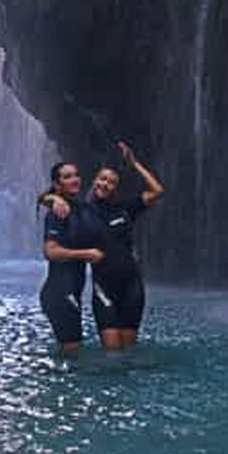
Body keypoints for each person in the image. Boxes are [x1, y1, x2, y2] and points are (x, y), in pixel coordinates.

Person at [45, 142, 163, 350]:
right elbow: (55, 201)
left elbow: (157, 190)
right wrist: (51, 197)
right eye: (102, 179)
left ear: (116, 187)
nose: (105, 184)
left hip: (132, 285)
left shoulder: (125, 209)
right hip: (104, 287)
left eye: (111, 182)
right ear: (94, 181)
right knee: (112, 352)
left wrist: (134, 163)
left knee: (128, 353)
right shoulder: (83, 210)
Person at [39, 161, 104, 355]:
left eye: (75, 175)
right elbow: (50, 252)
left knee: (71, 352)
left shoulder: (81, 208)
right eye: (67, 177)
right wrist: (86, 254)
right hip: (59, 292)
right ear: (58, 184)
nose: (74, 179)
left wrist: (47, 197)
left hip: (72, 291)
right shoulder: (57, 213)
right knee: (72, 351)